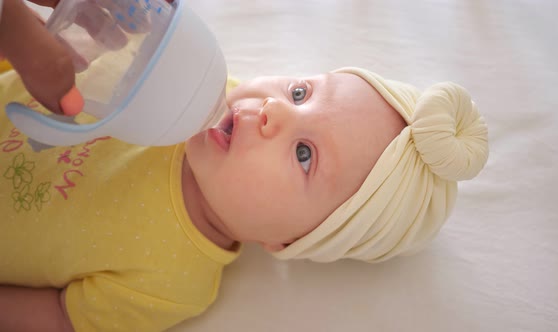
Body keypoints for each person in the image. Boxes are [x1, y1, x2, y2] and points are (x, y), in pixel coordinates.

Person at [0, 5, 489, 332]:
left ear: (287, 242)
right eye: (301, 93)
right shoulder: (200, 84)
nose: (276, 109)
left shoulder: (174, 282)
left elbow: (60, 316)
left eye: (304, 155)